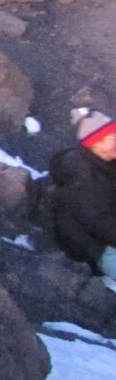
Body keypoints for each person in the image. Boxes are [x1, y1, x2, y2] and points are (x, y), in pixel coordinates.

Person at [50, 108, 116, 276]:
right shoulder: (83, 175)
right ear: (95, 143)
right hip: (99, 248)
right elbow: (100, 223)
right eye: (113, 138)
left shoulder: (106, 163)